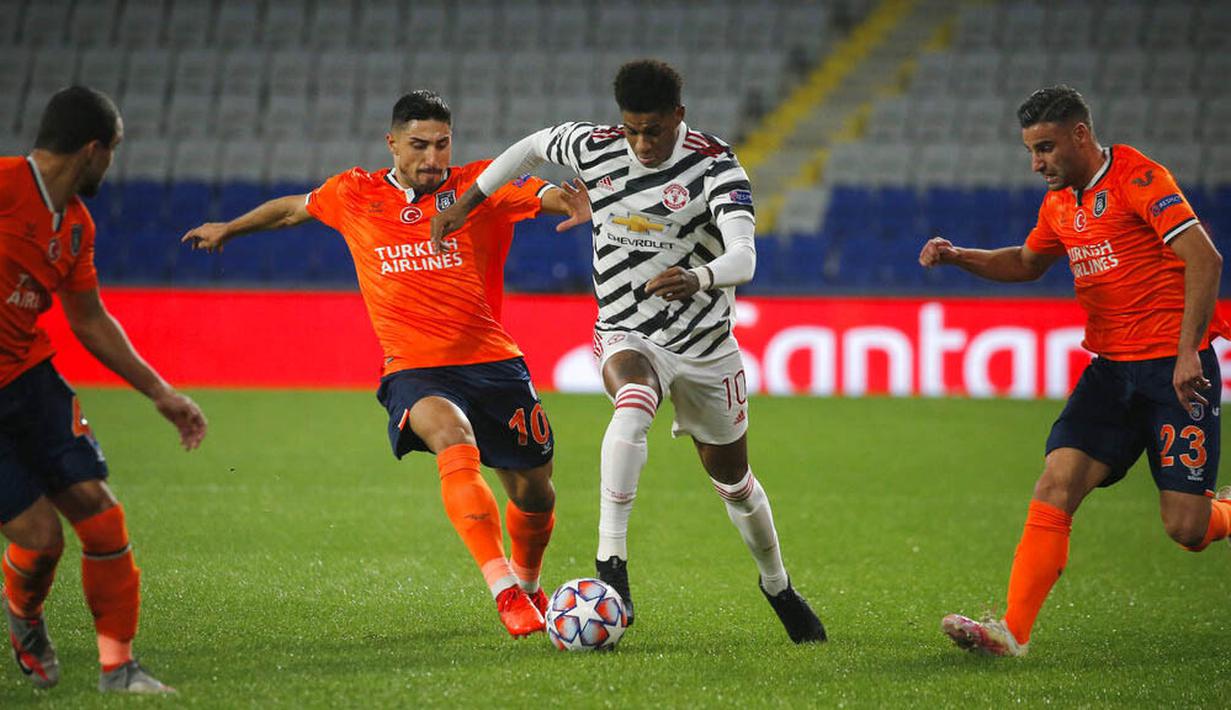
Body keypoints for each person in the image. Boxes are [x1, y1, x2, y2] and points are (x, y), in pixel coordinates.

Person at [432, 60, 827, 644]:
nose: (642, 143)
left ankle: (777, 585)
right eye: (633, 129)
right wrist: (466, 204)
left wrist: (699, 278)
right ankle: (610, 563)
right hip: (626, 328)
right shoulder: (595, 146)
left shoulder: (715, 164)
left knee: (735, 483)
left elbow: (745, 257)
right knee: (632, 401)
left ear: (678, 118)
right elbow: (529, 148)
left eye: (654, 131)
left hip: (705, 344)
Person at [182, 90, 589, 639]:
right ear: (391, 143)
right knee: (452, 437)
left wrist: (574, 203)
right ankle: (505, 590)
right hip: (414, 368)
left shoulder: (478, 187)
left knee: (535, 493)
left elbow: (544, 195)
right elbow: (292, 210)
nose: (432, 159)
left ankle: (530, 580)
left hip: (494, 362)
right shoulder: (355, 193)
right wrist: (230, 228)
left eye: (442, 145)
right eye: (418, 145)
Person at [919, 85, 1231, 657]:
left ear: (1080, 135)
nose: (1038, 163)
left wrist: (1190, 351)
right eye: (1031, 152)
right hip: (1111, 372)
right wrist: (961, 255)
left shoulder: (1138, 178)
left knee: (1187, 529)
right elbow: (1027, 263)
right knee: (1055, 483)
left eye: (1046, 148)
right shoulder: (1060, 203)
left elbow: (1205, 259)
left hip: (1173, 370)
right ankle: (1010, 633)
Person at [1, 86, 207, 693]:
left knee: (101, 513)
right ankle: (26, 617)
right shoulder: (7, 185)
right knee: (41, 541)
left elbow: (89, 319)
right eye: (112, 152)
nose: (112, 166)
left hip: (29, 381)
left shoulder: (76, 225)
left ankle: (119, 668)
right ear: (92, 150)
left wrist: (161, 393)